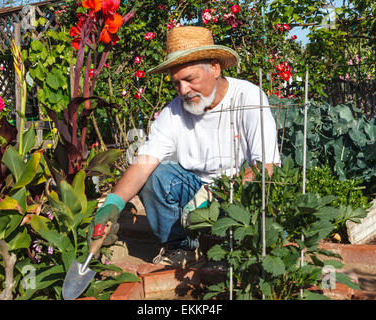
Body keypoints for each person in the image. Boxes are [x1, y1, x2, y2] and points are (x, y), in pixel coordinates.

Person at [88, 26, 280, 268]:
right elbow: (143, 165)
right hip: (191, 195)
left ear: (215, 67)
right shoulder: (173, 112)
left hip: (236, 200)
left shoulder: (248, 98)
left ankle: (234, 248)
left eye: (190, 79)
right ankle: (180, 247)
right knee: (156, 175)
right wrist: (112, 206)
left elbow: (266, 167)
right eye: (176, 83)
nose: (183, 90)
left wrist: (215, 197)